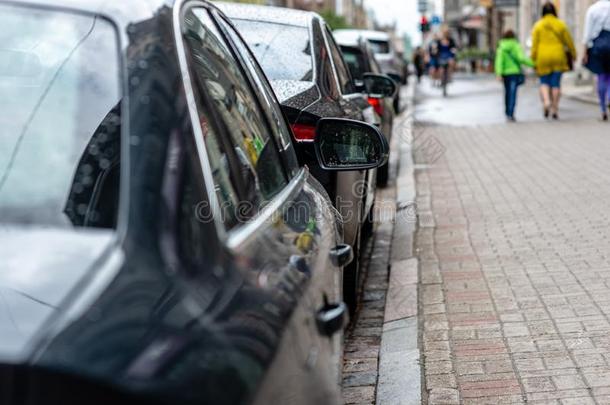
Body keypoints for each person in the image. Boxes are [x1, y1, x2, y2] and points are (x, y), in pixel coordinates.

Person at [531, 2, 577, 120]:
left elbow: (534, 45)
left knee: (544, 82)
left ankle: (546, 102)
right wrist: (574, 54)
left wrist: (533, 59)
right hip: (558, 56)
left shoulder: (538, 25)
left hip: (542, 57)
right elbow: (569, 42)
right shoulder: (560, 25)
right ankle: (555, 108)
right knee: (556, 84)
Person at [495, 30, 535, 122]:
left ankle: (507, 112)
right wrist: (533, 64)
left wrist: (498, 73)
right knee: (513, 93)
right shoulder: (516, 45)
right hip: (514, 73)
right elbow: (521, 58)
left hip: (505, 74)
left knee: (507, 92)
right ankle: (511, 113)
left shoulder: (501, 47)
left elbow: (499, 61)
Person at [582, 0, 610, 121]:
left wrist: (584, 52)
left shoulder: (593, 9)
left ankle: (603, 108)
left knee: (601, 77)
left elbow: (587, 33)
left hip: (598, 46)